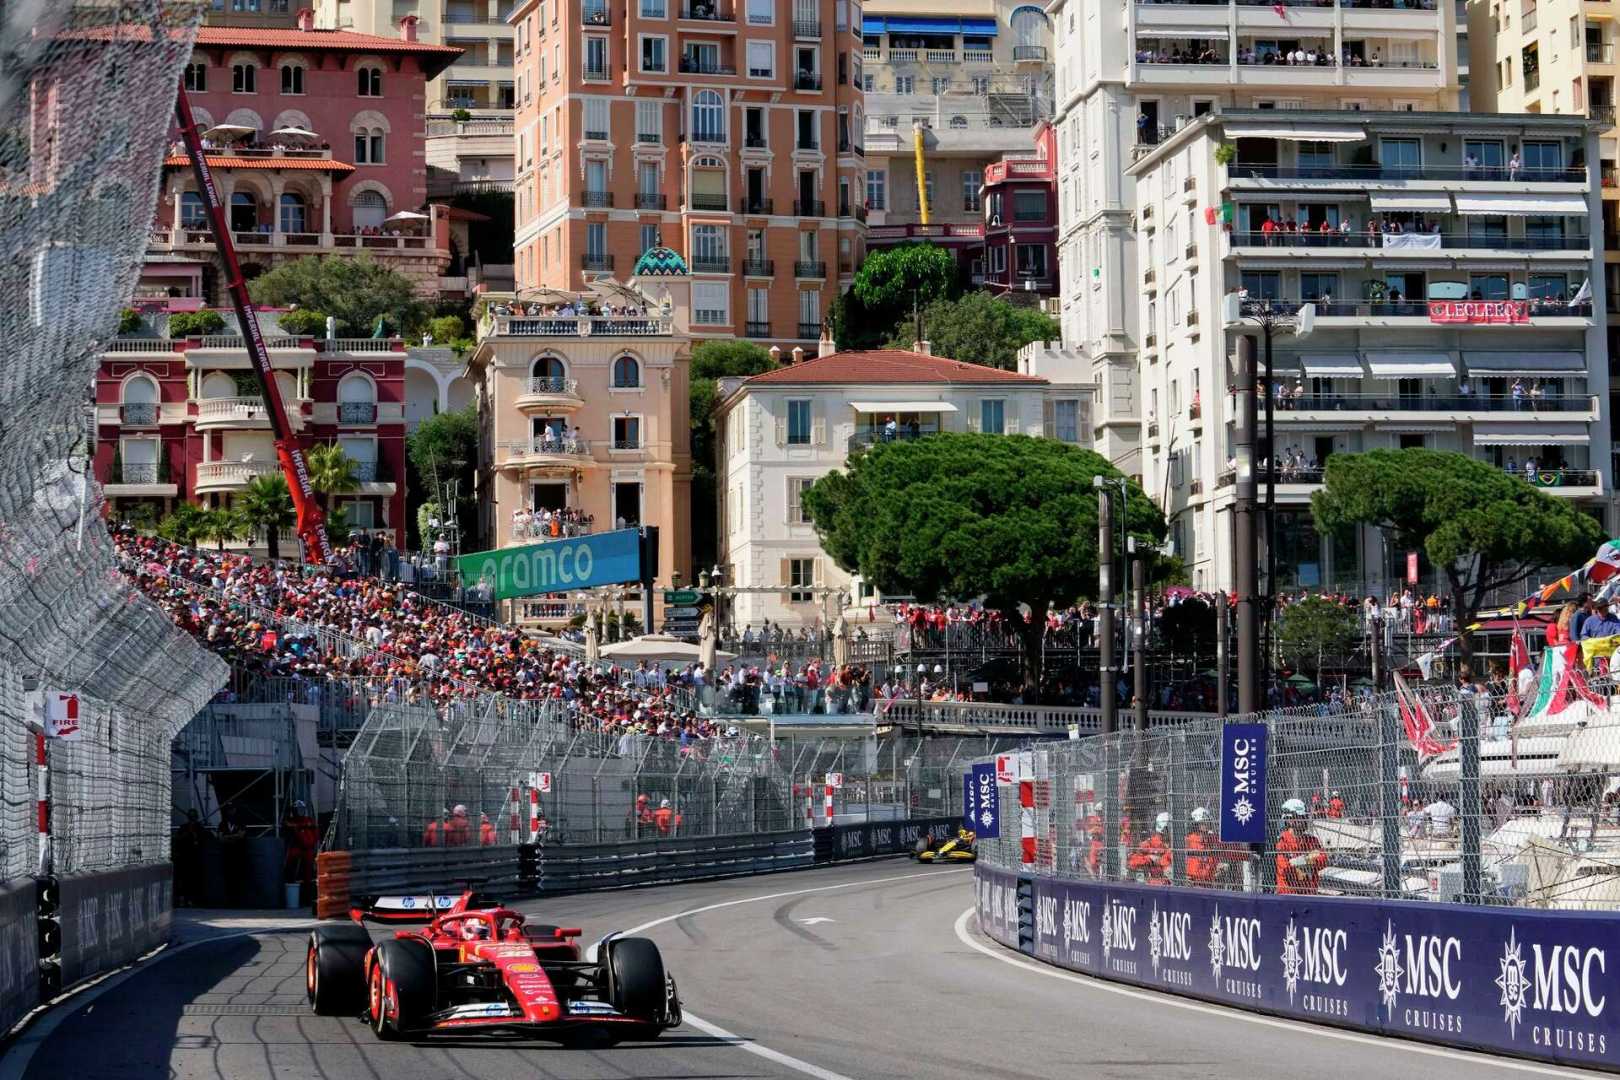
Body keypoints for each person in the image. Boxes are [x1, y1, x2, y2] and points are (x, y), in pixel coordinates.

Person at [1275, 798, 1327, 895]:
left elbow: (1323, 860)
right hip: (1289, 895)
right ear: (1290, 819)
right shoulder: (1283, 842)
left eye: (1304, 816)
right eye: (1300, 817)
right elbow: (1286, 869)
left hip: (1309, 894)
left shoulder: (1312, 841)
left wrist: (1304, 860)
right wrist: (1310, 859)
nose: (1304, 820)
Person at [282, 799, 320, 894]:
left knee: (308, 874)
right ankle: (292, 888)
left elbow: (316, 835)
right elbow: (286, 825)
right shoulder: (292, 821)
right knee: (291, 868)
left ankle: (307, 894)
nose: (300, 812)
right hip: (298, 848)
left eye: (302, 809)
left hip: (308, 850)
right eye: (298, 809)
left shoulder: (308, 821)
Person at [1126, 812, 1172, 885]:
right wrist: (1149, 858)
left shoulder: (1177, 844)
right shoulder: (1150, 843)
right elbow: (1132, 861)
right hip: (1156, 883)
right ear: (1164, 828)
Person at [174, 809, 209, 906]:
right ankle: (184, 899)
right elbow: (178, 839)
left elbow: (203, 841)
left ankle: (193, 900)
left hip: (195, 857)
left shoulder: (199, 828)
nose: (192, 819)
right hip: (185, 856)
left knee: (194, 879)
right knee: (184, 879)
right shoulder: (184, 827)